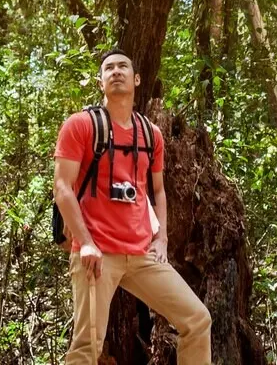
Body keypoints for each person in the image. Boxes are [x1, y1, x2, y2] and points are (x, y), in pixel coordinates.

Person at [53, 48, 212, 364]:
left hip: (141, 254)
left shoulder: (150, 134)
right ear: (101, 82)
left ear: (136, 79)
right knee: (86, 347)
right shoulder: (80, 125)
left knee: (197, 319)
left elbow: (158, 191)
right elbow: (62, 187)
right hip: (96, 254)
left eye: (123, 66)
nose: (116, 72)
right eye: (108, 68)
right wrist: (85, 243)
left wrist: (162, 238)